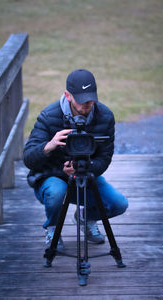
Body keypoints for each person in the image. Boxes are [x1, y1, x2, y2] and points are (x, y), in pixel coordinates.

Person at [23, 69, 128, 251]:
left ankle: (85, 218)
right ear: (67, 95)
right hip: (52, 177)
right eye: (81, 99)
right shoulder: (49, 116)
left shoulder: (105, 116)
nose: (87, 104)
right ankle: (53, 229)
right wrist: (50, 145)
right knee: (57, 193)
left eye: (91, 98)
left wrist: (86, 169)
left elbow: (104, 158)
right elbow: (28, 158)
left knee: (118, 204)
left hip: (86, 174)